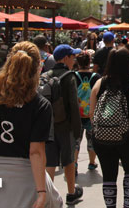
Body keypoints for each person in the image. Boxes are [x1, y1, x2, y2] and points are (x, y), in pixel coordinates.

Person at [0, 41, 62, 208]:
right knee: (57, 202)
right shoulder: (40, 105)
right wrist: (41, 193)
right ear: (38, 67)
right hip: (26, 179)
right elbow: (36, 152)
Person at [90, 48, 129, 208]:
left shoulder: (99, 83)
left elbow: (92, 114)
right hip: (128, 134)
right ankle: (127, 205)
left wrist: (101, 130)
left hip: (102, 137)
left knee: (108, 175)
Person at [44, 44, 84, 205]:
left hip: (49, 126)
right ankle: (71, 192)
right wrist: (77, 129)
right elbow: (74, 105)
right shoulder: (69, 77)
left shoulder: (46, 75)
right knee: (68, 161)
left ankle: (50, 194)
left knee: (50, 162)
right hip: (65, 125)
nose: (74, 59)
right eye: (72, 56)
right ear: (66, 58)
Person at [73, 50, 100, 172]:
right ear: (89, 62)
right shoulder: (96, 77)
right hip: (91, 113)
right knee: (92, 139)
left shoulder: (72, 76)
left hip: (76, 114)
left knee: (76, 140)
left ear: (77, 62)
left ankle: (74, 164)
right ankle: (92, 162)